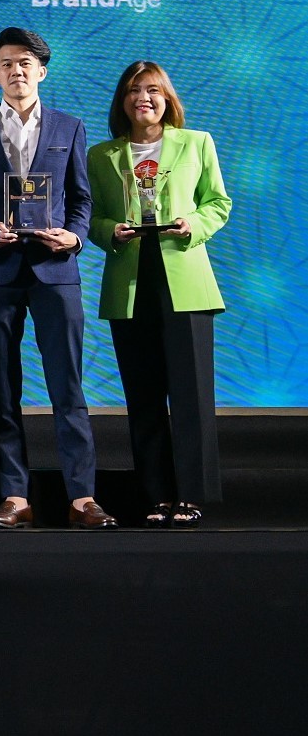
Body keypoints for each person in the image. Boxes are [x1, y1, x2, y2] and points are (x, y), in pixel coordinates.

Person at [0, 28, 114, 529]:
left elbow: (81, 199)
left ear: (41, 70)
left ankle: (82, 496)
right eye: (6, 64)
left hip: (55, 272)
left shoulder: (70, 126)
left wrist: (75, 237)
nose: (16, 71)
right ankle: (14, 495)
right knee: (3, 388)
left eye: (25, 62)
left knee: (68, 387)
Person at [91, 61, 231, 526]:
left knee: (191, 396)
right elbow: (91, 216)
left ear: (168, 98)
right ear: (122, 101)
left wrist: (194, 225)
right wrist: (111, 230)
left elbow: (218, 203)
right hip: (129, 282)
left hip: (185, 280)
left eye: (152, 90)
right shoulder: (101, 154)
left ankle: (191, 495)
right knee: (143, 396)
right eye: (133, 90)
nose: (143, 98)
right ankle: (156, 496)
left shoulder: (196, 142)